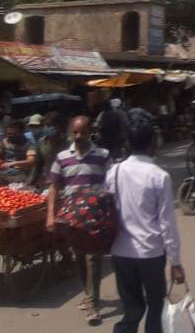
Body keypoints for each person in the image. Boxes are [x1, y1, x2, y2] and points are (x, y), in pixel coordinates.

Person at [106, 108, 185, 333]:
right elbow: (167, 225)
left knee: (131, 310)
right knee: (155, 307)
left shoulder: (114, 172)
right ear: (153, 141)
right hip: (151, 255)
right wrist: (176, 262)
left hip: (121, 253)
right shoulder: (158, 176)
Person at [47, 116, 111, 325]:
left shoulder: (102, 155)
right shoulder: (62, 157)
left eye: (83, 132)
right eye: (75, 132)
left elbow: (112, 184)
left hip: (95, 217)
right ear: (70, 133)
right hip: (71, 218)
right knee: (80, 257)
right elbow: (54, 187)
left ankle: (93, 303)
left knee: (93, 258)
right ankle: (88, 294)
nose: (79, 136)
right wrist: (50, 215)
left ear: (90, 131)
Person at [30, 111, 69, 189]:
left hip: (66, 184)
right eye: (45, 125)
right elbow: (37, 166)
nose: (47, 128)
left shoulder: (69, 143)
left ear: (59, 126)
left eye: (50, 125)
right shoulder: (41, 143)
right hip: (49, 184)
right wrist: (29, 183)